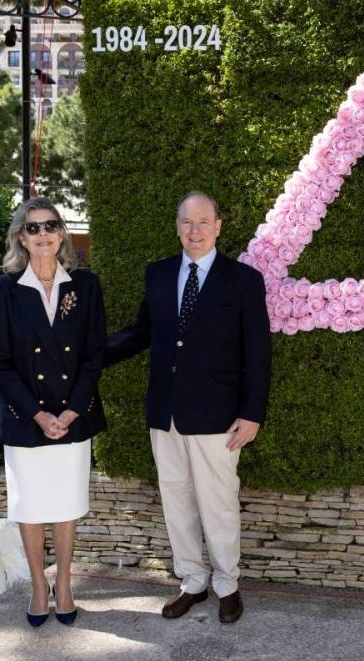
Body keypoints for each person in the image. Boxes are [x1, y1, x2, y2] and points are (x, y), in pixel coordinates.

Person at [105, 192, 271, 624]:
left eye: (203, 222)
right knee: (175, 501)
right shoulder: (158, 275)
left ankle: (227, 585)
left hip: (218, 418)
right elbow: (142, 333)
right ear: (177, 225)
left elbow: (258, 353)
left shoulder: (243, 281)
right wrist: (87, 356)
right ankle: (192, 582)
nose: (194, 231)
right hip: (165, 414)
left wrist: (252, 413)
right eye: (186, 222)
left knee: (218, 504)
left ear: (218, 226)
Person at [0, 197, 107, 627]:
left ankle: (66, 584)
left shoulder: (84, 286)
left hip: (73, 416)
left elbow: (94, 355)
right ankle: (39, 586)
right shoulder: (2, 290)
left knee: (67, 504)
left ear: (62, 233)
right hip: (24, 416)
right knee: (31, 507)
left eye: (51, 225)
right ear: (21, 236)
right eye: (33, 228)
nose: (43, 234)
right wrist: (39, 415)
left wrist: (71, 412)